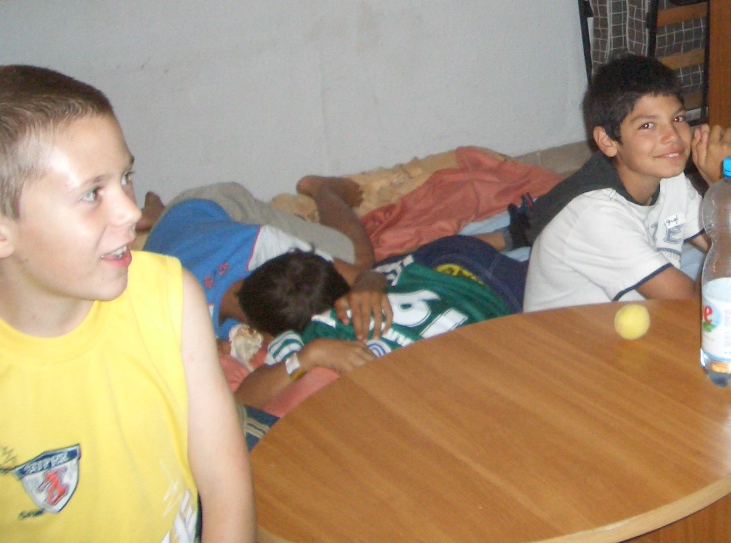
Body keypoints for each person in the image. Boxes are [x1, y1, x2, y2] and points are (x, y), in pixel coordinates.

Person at [0, 65, 254, 541]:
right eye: (92, 193)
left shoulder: (169, 296)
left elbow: (225, 483)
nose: (132, 212)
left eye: (126, 177)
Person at [523, 53, 731, 326]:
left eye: (678, 119)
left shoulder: (671, 181)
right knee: (713, 312)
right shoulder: (594, 214)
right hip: (578, 345)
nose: (672, 136)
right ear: (608, 141)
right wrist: (723, 190)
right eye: (648, 125)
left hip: (631, 322)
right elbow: (694, 306)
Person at [231, 237, 516, 409]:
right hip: (490, 296)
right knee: (423, 255)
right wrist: (371, 279)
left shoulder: (311, 336)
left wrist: (309, 354)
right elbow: (377, 272)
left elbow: (242, 401)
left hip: (501, 329)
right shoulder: (378, 289)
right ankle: (510, 234)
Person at [141, 174, 396, 343]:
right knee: (360, 258)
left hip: (200, 215)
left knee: (354, 262)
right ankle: (325, 190)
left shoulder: (265, 244)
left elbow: (364, 276)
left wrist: (368, 285)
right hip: (198, 216)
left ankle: (161, 215)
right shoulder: (182, 319)